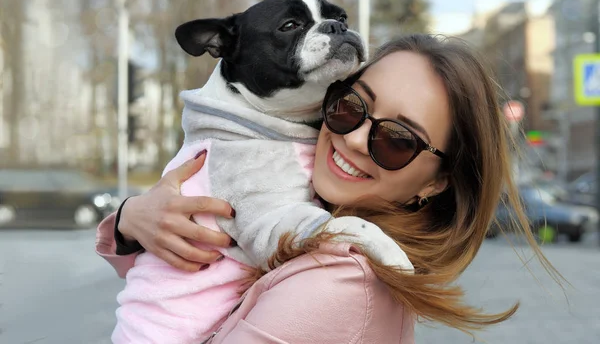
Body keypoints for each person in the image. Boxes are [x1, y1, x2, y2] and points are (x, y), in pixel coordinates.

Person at [97, 34, 563, 343]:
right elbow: (185, 291)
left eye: (398, 140)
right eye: (351, 106)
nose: (355, 137)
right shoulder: (308, 214)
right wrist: (132, 221)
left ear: (437, 181)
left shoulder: (339, 279)